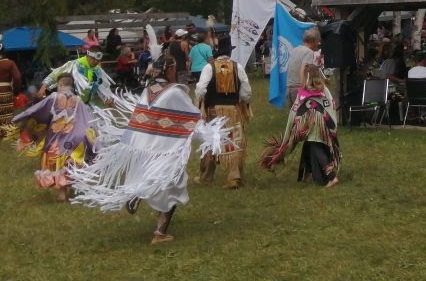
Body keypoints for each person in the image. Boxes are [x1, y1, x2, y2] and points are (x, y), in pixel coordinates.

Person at [70, 42, 224, 244]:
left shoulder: (149, 90)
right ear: (169, 69)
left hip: (144, 148)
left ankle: (137, 193)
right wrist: (212, 133)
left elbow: (142, 119)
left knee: (150, 180)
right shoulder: (174, 92)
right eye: (174, 68)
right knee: (174, 187)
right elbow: (191, 119)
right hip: (165, 152)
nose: (176, 71)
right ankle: (160, 233)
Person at [12, 72, 97, 201]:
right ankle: (69, 187)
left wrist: (16, 118)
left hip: (57, 138)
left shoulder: (54, 97)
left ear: (61, 84)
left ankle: (62, 193)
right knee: (70, 162)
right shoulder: (78, 100)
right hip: (75, 139)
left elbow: (35, 110)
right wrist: (92, 136)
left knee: (58, 163)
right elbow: (87, 120)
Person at [260, 64, 341, 187]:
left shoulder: (303, 93)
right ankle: (305, 173)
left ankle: (331, 176)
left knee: (315, 145)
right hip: (325, 122)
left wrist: (288, 135)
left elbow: (294, 111)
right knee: (309, 143)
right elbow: (331, 106)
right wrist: (332, 126)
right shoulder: (324, 90)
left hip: (312, 124)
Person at [194, 45, 252, 189]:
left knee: (210, 143)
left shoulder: (209, 68)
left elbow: (201, 89)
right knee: (232, 141)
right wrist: (241, 101)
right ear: (229, 53)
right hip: (233, 110)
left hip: (213, 111)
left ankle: (207, 175)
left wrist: (200, 103)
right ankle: (234, 176)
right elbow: (246, 91)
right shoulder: (237, 67)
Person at [39, 49, 115, 107]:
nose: (96, 62)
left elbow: (101, 86)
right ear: (89, 57)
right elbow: (55, 74)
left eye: (98, 61)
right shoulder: (74, 65)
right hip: (70, 104)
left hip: (86, 105)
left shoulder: (97, 70)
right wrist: (43, 88)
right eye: (94, 59)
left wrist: (107, 98)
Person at [285, 27, 321, 107]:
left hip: (289, 90)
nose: (318, 44)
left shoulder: (295, 49)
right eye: (318, 41)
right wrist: (306, 89)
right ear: (314, 41)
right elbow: (303, 70)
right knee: (305, 117)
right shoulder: (309, 52)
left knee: (294, 118)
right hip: (298, 90)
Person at [0, 39, 23, 124]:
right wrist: (16, 92)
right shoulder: (10, 63)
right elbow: (17, 77)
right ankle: (4, 135)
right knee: (6, 117)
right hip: (5, 93)